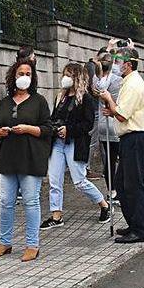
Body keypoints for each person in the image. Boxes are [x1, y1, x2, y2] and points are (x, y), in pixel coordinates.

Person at [0, 56, 52, 262]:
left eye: (27, 74)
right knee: (6, 201)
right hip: (8, 157)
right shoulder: (5, 102)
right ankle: (5, 242)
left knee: (30, 201)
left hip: (31, 158)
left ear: (32, 78)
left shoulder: (39, 101)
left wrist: (28, 129)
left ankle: (32, 245)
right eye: (20, 74)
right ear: (13, 76)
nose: (23, 77)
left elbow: (47, 129)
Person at [96, 49, 144, 244]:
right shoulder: (128, 82)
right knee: (122, 184)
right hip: (131, 139)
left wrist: (109, 101)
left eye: (118, 61)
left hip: (138, 138)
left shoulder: (133, 85)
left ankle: (141, 230)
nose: (115, 64)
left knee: (133, 185)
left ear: (128, 64)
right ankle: (133, 223)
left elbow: (122, 114)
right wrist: (111, 108)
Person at [43, 62, 111, 227]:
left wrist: (69, 130)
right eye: (64, 74)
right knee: (54, 179)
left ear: (77, 77)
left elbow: (87, 124)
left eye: (69, 75)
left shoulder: (85, 98)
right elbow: (53, 118)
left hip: (75, 143)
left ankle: (104, 205)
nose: (65, 78)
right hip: (58, 143)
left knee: (79, 181)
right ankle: (56, 215)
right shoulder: (61, 97)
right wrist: (54, 128)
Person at [94, 53, 122, 201]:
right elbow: (99, 90)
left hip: (111, 123)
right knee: (113, 160)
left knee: (114, 159)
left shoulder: (113, 80)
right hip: (109, 123)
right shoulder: (100, 79)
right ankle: (114, 190)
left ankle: (115, 189)